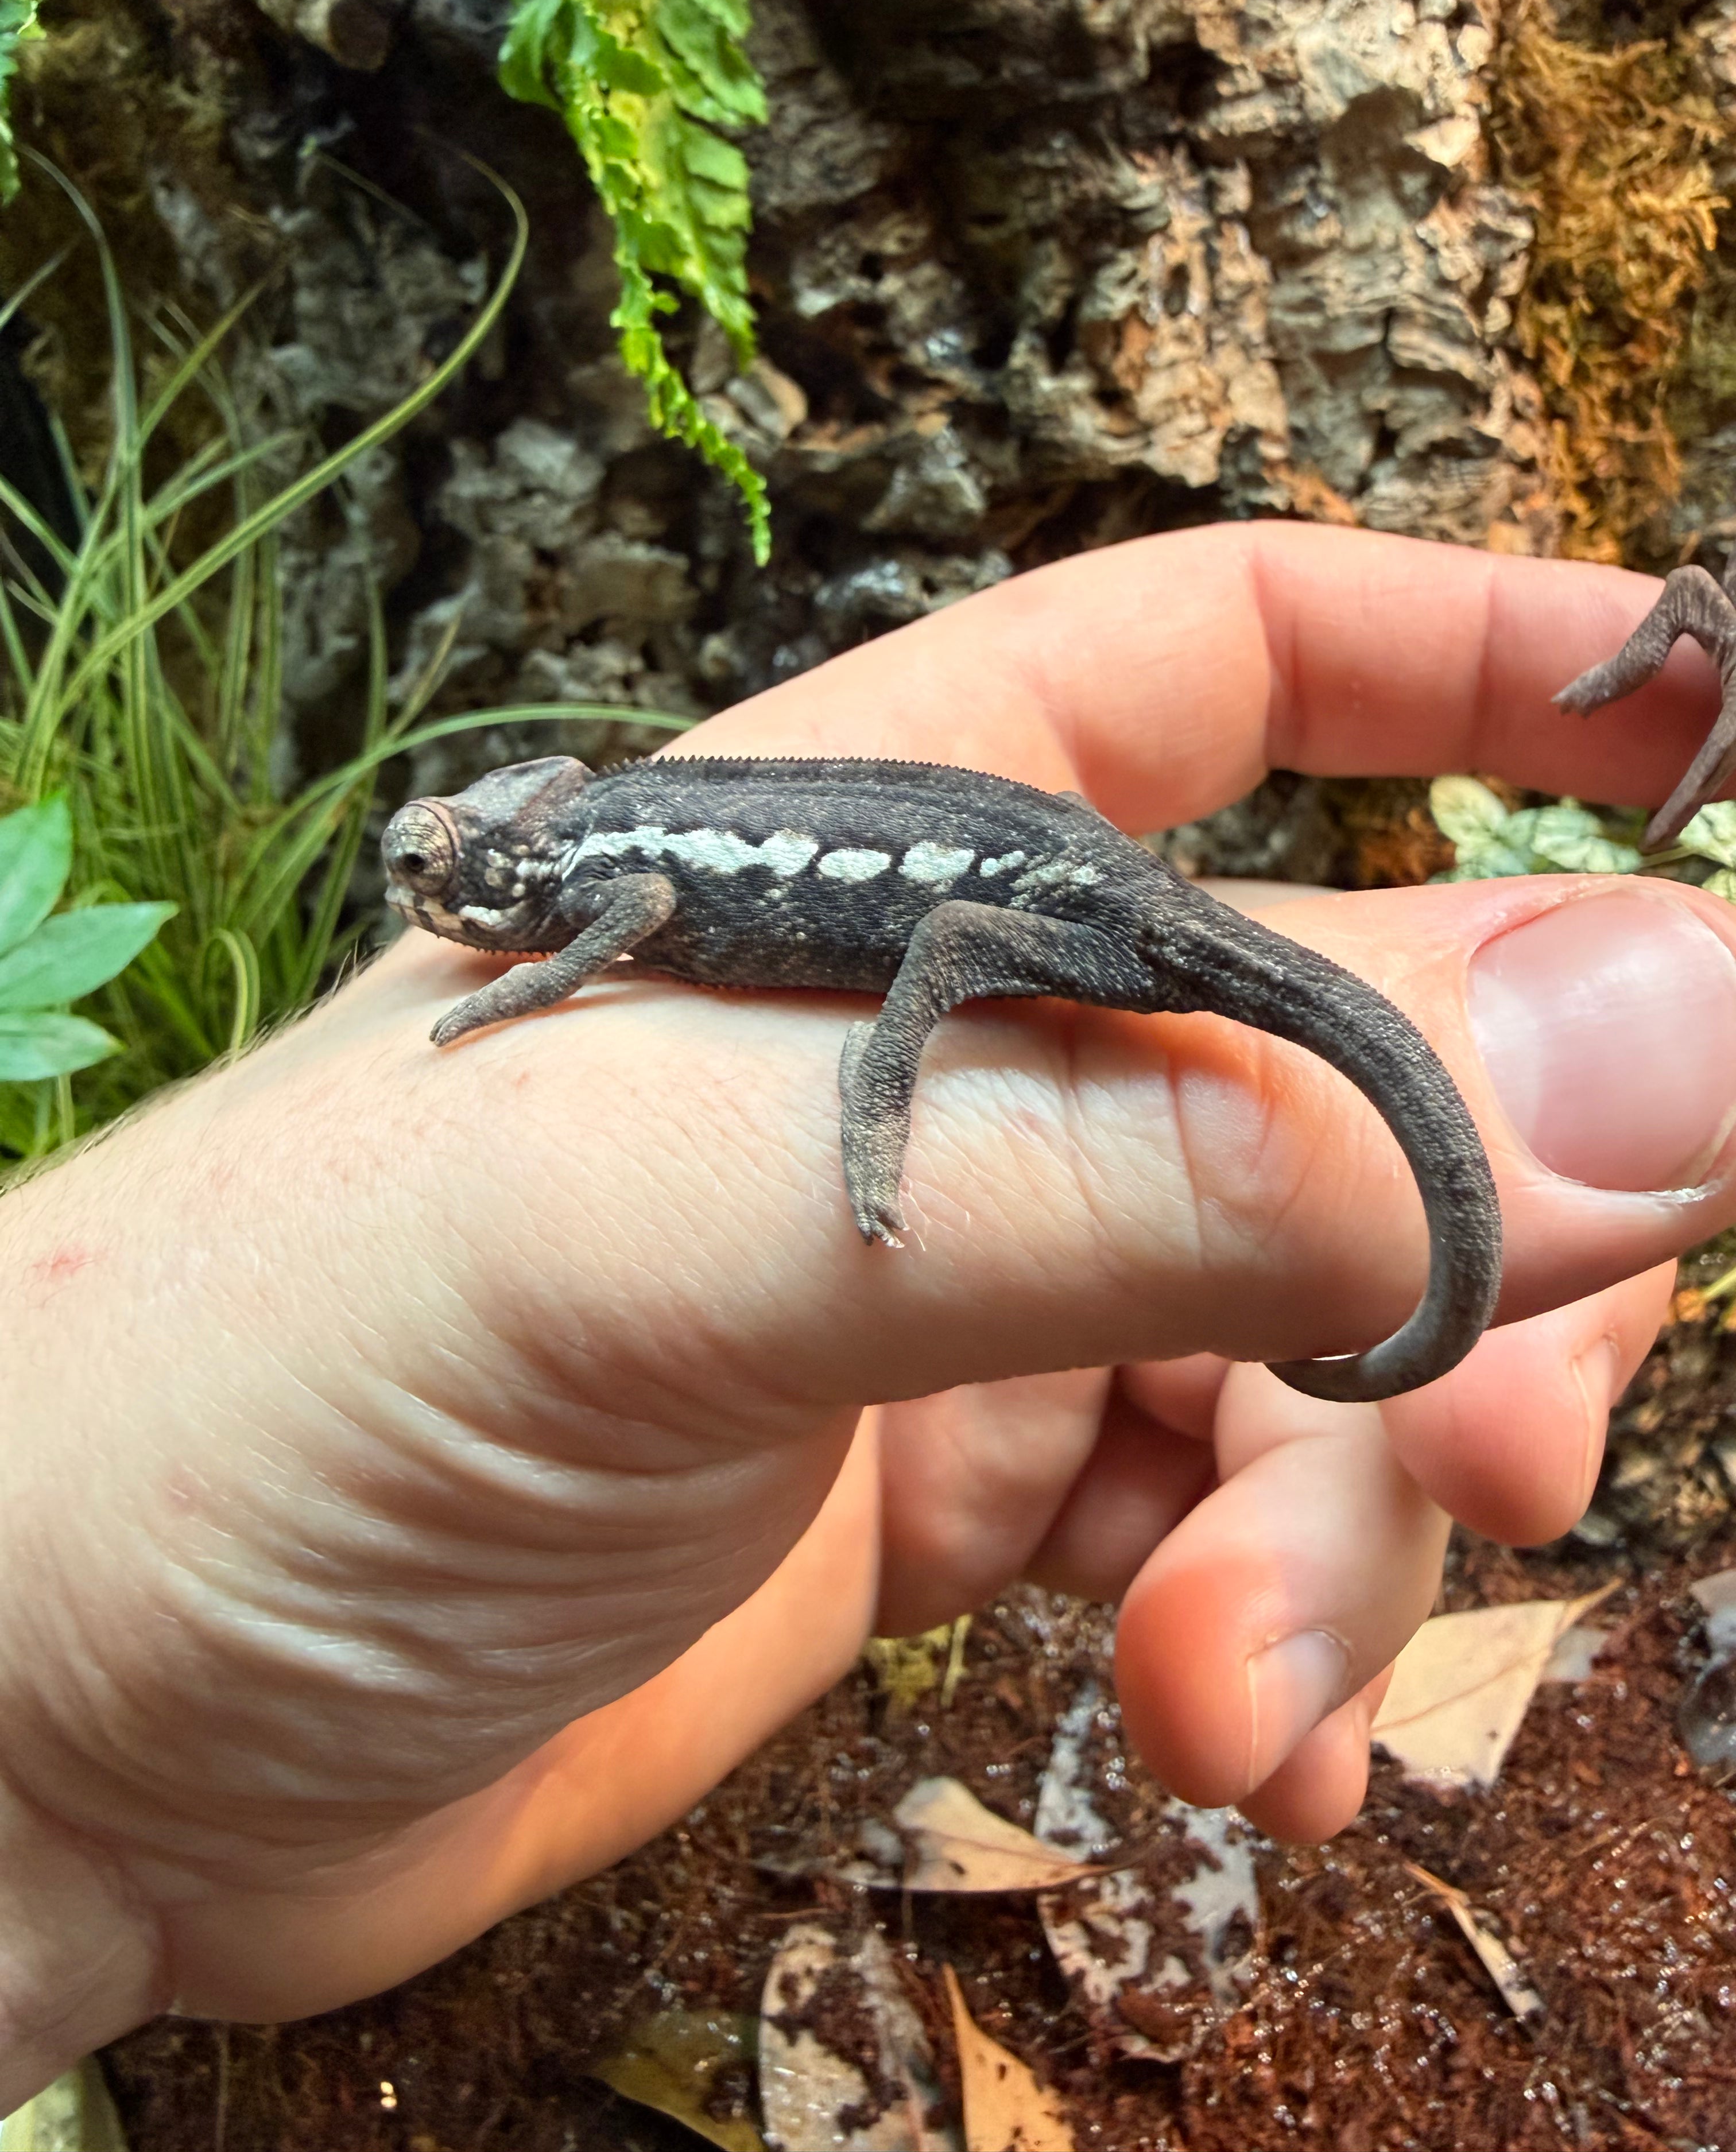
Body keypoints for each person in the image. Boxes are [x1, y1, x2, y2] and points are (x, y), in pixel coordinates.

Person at [3, 522, 1734, 2112]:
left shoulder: (601, 865)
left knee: (972, 963)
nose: (435, 884)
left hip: (1045, 899)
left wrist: (749, 1050)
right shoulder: (602, 842)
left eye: (449, 861)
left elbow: (643, 907)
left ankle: (894, 1078)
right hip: (1031, 880)